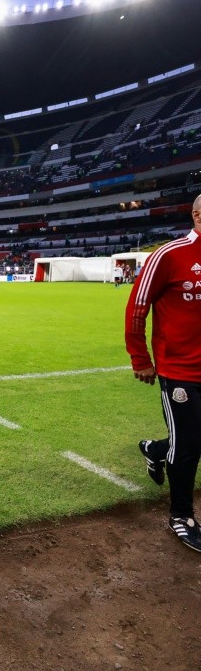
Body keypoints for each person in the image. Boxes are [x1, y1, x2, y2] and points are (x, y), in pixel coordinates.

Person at [125, 193, 201, 553]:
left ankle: (155, 450)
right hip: (179, 368)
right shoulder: (168, 256)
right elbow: (138, 306)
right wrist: (140, 358)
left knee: (194, 438)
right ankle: (181, 515)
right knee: (188, 445)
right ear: (197, 215)